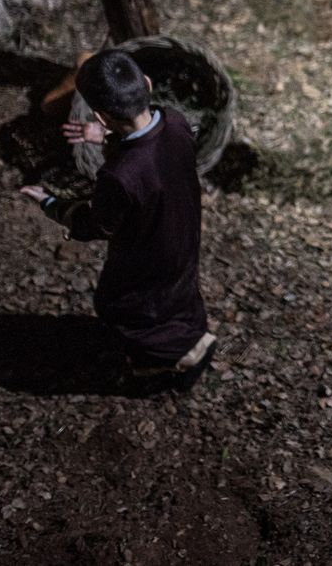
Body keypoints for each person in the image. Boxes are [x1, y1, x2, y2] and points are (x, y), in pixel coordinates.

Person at [19, 50, 214, 389]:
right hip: (182, 237)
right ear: (148, 85)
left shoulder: (119, 175)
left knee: (130, 308)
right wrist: (108, 137)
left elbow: (97, 224)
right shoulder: (176, 120)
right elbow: (153, 149)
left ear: (100, 115)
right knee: (178, 294)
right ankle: (193, 339)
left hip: (145, 256)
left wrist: (52, 204)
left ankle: (166, 364)